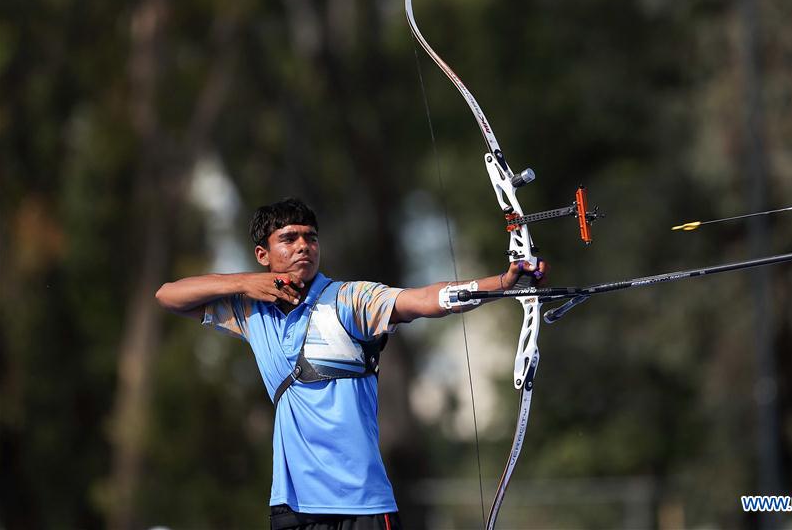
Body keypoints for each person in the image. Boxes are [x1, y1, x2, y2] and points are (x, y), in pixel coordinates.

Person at [155, 197, 548, 530]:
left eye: (310, 237)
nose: (303, 246)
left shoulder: (349, 299)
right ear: (263, 255)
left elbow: (423, 300)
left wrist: (501, 284)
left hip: (363, 505)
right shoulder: (250, 311)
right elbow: (168, 295)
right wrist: (243, 283)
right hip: (294, 506)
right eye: (289, 239)